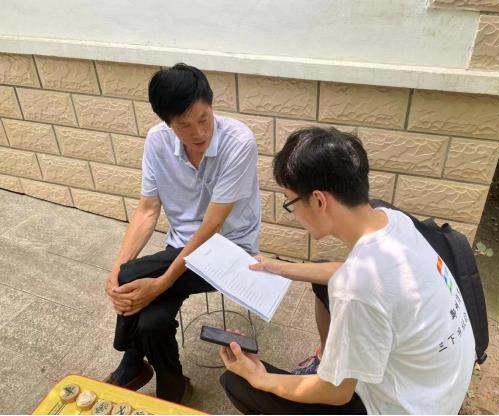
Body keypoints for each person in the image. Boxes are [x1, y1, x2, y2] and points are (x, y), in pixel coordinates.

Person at [219, 127, 476, 414]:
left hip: (399, 408)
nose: (294, 213)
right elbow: (350, 274)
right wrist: (280, 268)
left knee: (237, 382)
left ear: (319, 201)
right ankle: (329, 360)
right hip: (438, 390)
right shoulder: (393, 220)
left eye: (291, 203)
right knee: (321, 274)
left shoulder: (355, 288)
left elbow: (337, 392)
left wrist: (259, 377)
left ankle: (327, 369)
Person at [103, 63, 261, 404]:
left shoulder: (238, 143)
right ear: (167, 122)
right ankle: (173, 387)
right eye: (184, 125)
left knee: (133, 275)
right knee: (149, 320)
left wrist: (159, 283)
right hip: (180, 248)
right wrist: (116, 269)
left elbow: (212, 227)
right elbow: (147, 210)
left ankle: (131, 363)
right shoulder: (157, 141)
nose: (198, 132)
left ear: (211, 105)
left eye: (204, 118)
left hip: (229, 250)